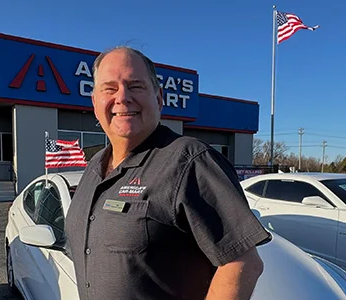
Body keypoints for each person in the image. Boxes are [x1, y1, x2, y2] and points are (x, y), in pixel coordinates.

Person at [65, 46, 271, 300]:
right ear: (95, 103)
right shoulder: (93, 169)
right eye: (109, 88)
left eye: (136, 86)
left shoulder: (189, 161)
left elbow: (242, 263)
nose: (123, 97)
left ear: (159, 98)